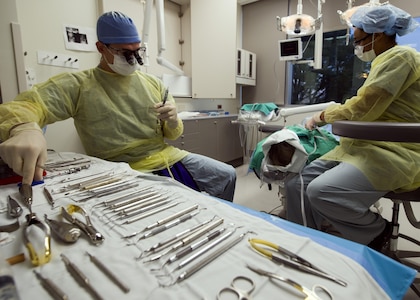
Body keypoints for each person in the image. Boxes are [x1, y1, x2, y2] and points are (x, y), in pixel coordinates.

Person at [0, 11, 236, 202]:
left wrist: (173, 120)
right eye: (124, 52)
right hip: (119, 167)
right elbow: (27, 105)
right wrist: (24, 128)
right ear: (101, 48)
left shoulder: (152, 83)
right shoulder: (79, 85)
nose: (134, 59)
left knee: (227, 175)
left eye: (138, 51)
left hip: (166, 156)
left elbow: (173, 134)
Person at [285, 4, 420, 251]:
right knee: (296, 185)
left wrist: (322, 116)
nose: (356, 46)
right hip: (361, 147)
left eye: (358, 40)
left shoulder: (402, 57)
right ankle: (306, 245)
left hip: (394, 150)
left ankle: (377, 231)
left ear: (377, 34)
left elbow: (366, 106)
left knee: (321, 191)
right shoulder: (382, 61)